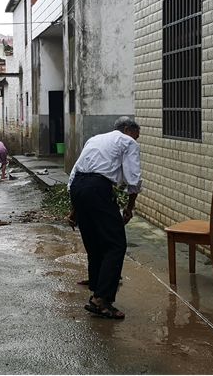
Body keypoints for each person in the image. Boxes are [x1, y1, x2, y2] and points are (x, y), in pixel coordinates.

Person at [67, 116, 141, 320]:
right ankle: (101, 299)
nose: (137, 140)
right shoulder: (128, 142)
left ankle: (97, 289)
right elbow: (133, 178)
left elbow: (75, 172)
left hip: (78, 188)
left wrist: (75, 210)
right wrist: (129, 207)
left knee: (94, 243)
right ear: (127, 129)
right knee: (116, 244)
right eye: (136, 135)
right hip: (98, 189)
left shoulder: (95, 139)